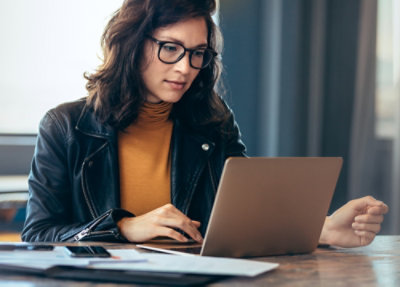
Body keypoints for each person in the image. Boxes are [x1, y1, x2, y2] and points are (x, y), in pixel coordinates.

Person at [21, 0, 388, 248]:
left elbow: (245, 216)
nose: (185, 67)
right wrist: (122, 228)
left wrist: (321, 229)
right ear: (132, 44)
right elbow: (37, 235)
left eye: (198, 53)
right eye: (170, 48)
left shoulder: (212, 121)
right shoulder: (65, 126)